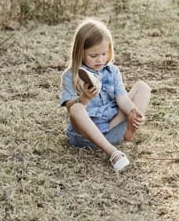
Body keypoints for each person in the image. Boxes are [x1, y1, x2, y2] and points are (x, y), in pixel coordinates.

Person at [60, 17, 151, 172]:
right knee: (76, 109)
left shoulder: (112, 70)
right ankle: (113, 153)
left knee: (142, 87)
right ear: (80, 52)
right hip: (86, 136)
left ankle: (130, 131)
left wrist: (133, 111)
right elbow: (69, 107)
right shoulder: (71, 75)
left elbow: (121, 97)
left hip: (112, 127)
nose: (100, 59)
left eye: (104, 53)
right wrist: (85, 98)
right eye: (94, 56)